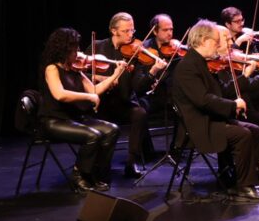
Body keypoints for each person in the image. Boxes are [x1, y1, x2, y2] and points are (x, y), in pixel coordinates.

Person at [172, 20, 259, 202]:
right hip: (200, 124)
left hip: (211, 118)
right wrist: (233, 106)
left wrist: (235, 97)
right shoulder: (187, 66)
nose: (219, 45)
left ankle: (236, 178)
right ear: (203, 40)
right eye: (215, 40)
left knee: (255, 130)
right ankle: (244, 187)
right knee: (242, 134)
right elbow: (203, 100)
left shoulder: (201, 62)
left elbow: (219, 92)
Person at [39, 28, 126, 192]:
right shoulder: (52, 69)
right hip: (54, 121)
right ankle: (80, 174)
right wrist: (87, 97)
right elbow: (60, 95)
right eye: (74, 49)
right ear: (65, 50)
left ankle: (96, 173)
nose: (78, 53)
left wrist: (116, 74)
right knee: (93, 135)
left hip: (74, 119)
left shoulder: (74, 69)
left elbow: (95, 90)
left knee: (111, 130)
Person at [93, 12, 167, 177]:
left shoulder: (135, 54)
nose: (131, 35)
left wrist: (153, 70)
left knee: (140, 113)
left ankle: (131, 162)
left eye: (132, 31)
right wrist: (105, 79)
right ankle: (99, 163)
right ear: (114, 31)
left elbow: (138, 87)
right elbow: (84, 75)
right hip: (101, 102)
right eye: (126, 31)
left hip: (124, 101)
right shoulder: (97, 47)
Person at [215, 26, 259, 182]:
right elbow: (225, 92)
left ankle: (256, 166)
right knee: (253, 128)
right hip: (226, 111)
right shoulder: (215, 65)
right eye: (228, 39)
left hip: (241, 109)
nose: (232, 42)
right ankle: (229, 168)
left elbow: (250, 85)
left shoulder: (232, 59)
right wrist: (244, 75)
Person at [221, 6, 259, 116]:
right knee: (247, 96)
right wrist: (238, 42)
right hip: (234, 83)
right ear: (228, 24)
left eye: (242, 20)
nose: (242, 23)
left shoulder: (248, 40)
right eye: (237, 21)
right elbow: (227, 57)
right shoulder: (222, 38)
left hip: (248, 81)